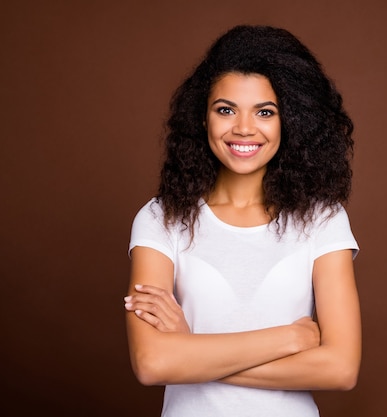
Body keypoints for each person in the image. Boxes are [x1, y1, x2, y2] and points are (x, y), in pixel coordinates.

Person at [123, 25, 360, 417]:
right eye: (226, 109)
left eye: (265, 112)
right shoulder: (160, 218)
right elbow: (153, 363)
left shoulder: (324, 219)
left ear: (291, 122)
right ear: (203, 118)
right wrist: (289, 338)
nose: (244, 128)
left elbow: (340, 368)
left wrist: (192, 350)